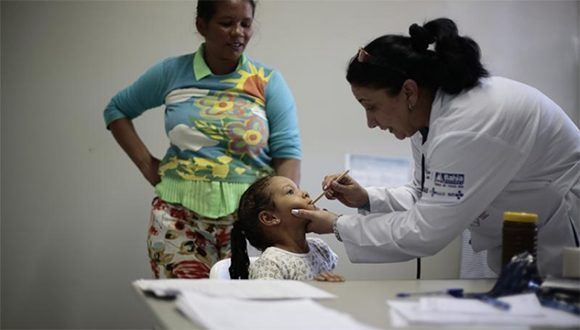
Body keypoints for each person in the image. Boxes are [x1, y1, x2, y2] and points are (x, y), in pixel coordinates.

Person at [292, 17, 580, 277]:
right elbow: (425, 194)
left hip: (562, 228)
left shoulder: (469, 123)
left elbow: (426, 230)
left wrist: (336, 224)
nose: (371, 122)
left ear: (408, 91)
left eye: (372, 107)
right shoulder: (428, 120)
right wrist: (366, 198)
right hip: (524, 233)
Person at [103, 0, 301, 279]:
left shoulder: (267, 81)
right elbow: (117, 110)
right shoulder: (172, 72)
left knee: (245, 316)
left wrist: (284, 221)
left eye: (245, 23)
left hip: (249, 221)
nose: (238, 32)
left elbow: (287, 155)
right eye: (226, 23)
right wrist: (148, 165)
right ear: (201, 25)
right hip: (177, 218)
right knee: (182, 313)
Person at [229, 175, 342, 281]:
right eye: (290, 191)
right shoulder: (271, 263)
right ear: (269, 218)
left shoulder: (319, 247)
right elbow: (267, 301)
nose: (305, 193)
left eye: (298, 189)